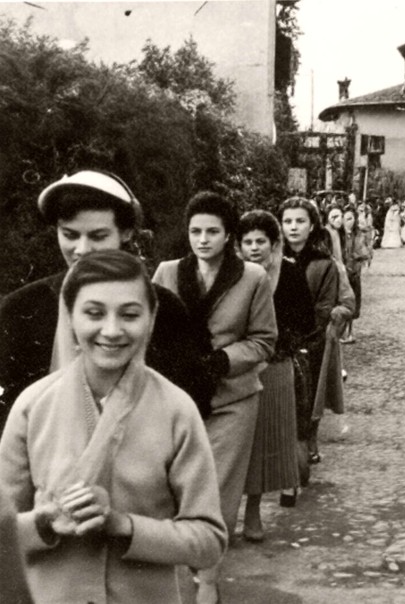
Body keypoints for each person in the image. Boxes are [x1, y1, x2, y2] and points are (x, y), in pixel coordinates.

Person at [0, 250, 227, 603]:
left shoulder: (176, 410)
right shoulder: (33, 407)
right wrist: (45, 522)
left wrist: (124, 525)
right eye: (94, 313)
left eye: (129, 314)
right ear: (69, 317)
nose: (111, 330)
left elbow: (209, 540)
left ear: (151, 318)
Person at [0, 170, 210, 433]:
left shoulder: (165, 309)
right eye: (70, 235)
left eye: (98, 236)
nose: (82, 250)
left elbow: (193, 404)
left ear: (126, 233)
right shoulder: (21, 308)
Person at [153, 192, 276, 603]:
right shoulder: (167, 273)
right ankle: (176, 580)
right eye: (195, 231)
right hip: (175, 400)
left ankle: (207, 580)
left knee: (218, 494)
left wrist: (222, 360)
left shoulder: (252, 278)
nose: (202, 240)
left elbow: (264, 340)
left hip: (232, 400)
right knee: (172, 490)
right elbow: (149, 332)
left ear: (228, 236)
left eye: (212, 231)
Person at [236, 210, 314, 542]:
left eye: (261, 241)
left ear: (273, 243)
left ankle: (253, 513)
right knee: (233, 443)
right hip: (237, 366)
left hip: (275, 366)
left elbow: (306, 320)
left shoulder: (290, 273)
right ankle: (224, 514)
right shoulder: (231, 274)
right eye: (247, 242)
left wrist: (278, 346)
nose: (254, 248)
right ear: (238, 245)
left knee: (264, 444)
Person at [278, 198, 355, 469]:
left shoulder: (326, 264)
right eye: (287, 221)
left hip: (315, 335)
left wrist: (331, 321)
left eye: (300, 221)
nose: (293, 227)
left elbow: (342, 303)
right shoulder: (271, 257)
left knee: (312, 393)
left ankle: (309, 439)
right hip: (279, 335)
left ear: (311, 226)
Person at [342, 206, 372, 344]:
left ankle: (349, 332)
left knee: (352, 302)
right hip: (341, 274)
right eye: (347, 219)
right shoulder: (338, 236)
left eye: (352, 218)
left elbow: (364, 252)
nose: (350, 222)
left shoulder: (358, 235)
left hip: (353, 273)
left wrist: (357, 256)